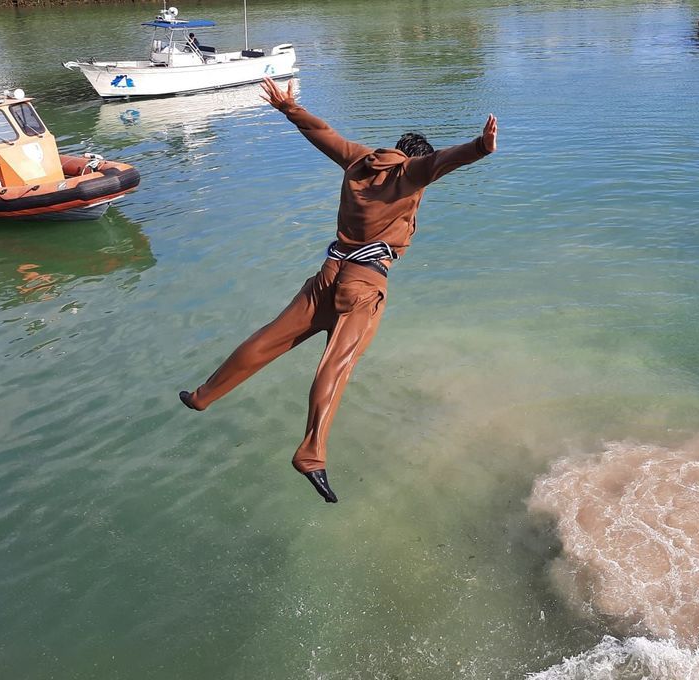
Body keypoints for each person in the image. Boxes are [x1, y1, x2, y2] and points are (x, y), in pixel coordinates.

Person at [178, 78, 498, 504]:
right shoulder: (412, 172)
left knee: (270, 338)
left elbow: (321, 133)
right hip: (363, 285)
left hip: (328, 274)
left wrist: (288, 108)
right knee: (338, 363)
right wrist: (480, 146)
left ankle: (203, 395)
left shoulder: (358, 161)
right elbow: (444, 160)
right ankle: (311, 453)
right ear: (415, 159)